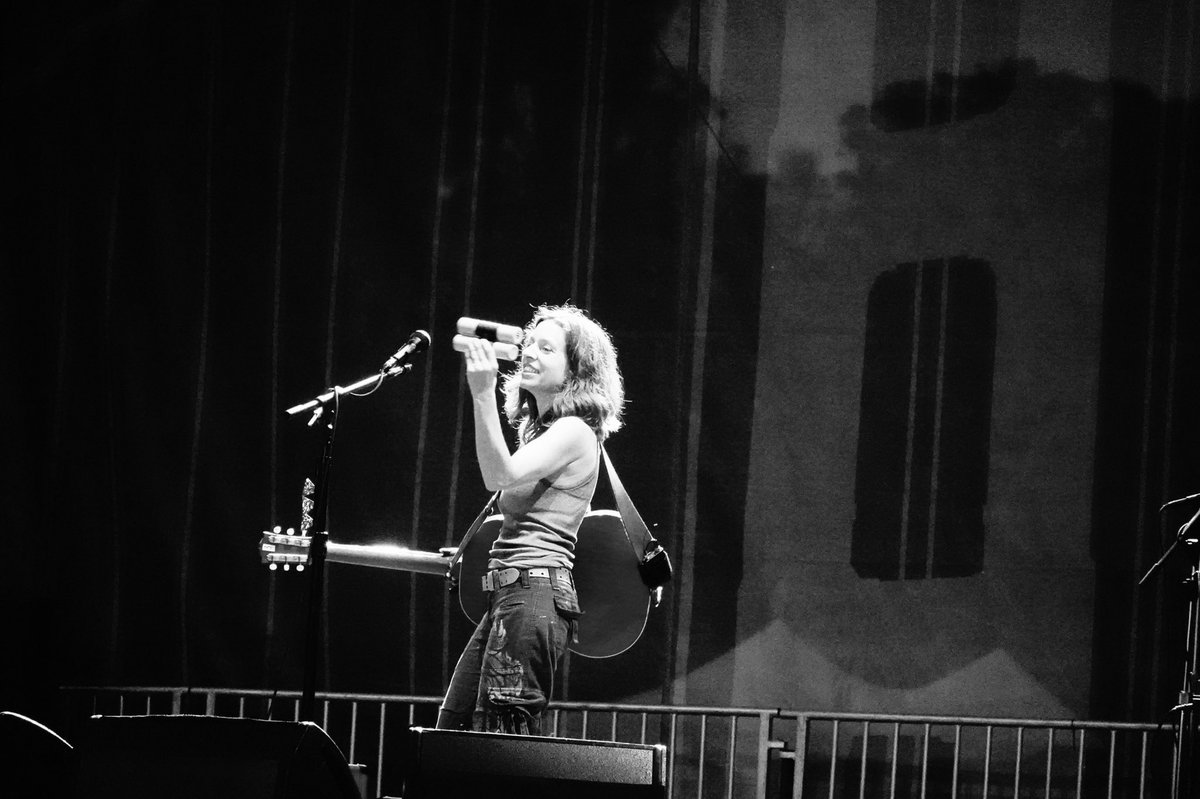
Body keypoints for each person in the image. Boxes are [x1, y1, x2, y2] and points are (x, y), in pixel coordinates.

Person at [436, 304, 624, 734]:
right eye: (530, 345)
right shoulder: (543, 433)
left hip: (532, 595)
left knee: (500, 737)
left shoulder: (574, 430)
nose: (530, 353)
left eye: (547, 348)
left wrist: (482, 391)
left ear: (576, 370)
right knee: (455, 730)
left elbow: (499, 476)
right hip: (514, 595)